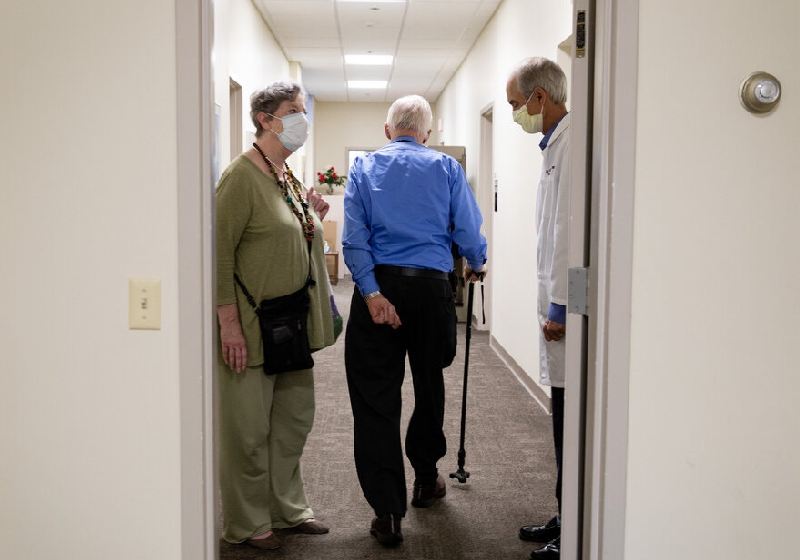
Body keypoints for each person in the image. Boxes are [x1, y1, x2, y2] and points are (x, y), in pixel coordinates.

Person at [343, 95, 487, 547]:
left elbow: (354, 238)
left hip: (380, 288)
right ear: (426, 134)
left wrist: (371, 293)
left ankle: (388, 512)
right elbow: (466, 229)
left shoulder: (364, 168)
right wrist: (476, 262)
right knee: (429, 381)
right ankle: (426, 477)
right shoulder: (446, 168)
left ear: (389, 131)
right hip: (431, 289)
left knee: (375, 397)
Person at [215, 81, 334, 551]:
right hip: (250, 327)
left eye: (301, 110)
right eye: (293, 111)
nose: (301, 119)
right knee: (247, 432)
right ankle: (247, 522)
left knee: (292, 421)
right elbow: (219, 257)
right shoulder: (239, 178)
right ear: (266, 119)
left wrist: (313, 211)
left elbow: (290, 231)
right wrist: (228, 325)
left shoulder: (282, 173)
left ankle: (288, 509)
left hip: (291, 327)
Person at [506, 57, 571, 560]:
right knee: (561, 420)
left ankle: (572, 527)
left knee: (570, 421)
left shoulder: (572, 147)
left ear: (539, 99)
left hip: (565, 313)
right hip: (556, 309)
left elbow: (569, 234)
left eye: (516, 105)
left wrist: (559, 306)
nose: (516, 115)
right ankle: (564, 513)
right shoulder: (554, 145)